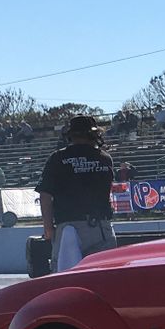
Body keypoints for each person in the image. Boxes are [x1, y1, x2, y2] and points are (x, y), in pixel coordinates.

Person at [38, 115, 118, 272]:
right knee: (103, 275)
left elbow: (45, 195)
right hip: (98, 225)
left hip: (67, 225)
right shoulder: (104, 158)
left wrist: (48, 228)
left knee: (64, 278)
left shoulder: (57, 158)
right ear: (94, 134)